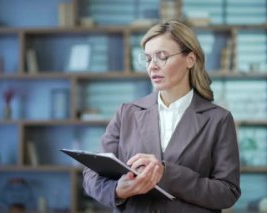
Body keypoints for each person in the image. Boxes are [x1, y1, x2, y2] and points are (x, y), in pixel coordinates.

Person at [83, 20, 241, 213]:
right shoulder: (127, 113)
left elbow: (227, 192)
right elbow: (92, 175)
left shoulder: (218, 120)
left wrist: (166, 174)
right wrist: (117, 190)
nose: (153, 66)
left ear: (190, 59)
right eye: (148, 59)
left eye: (162, 56)